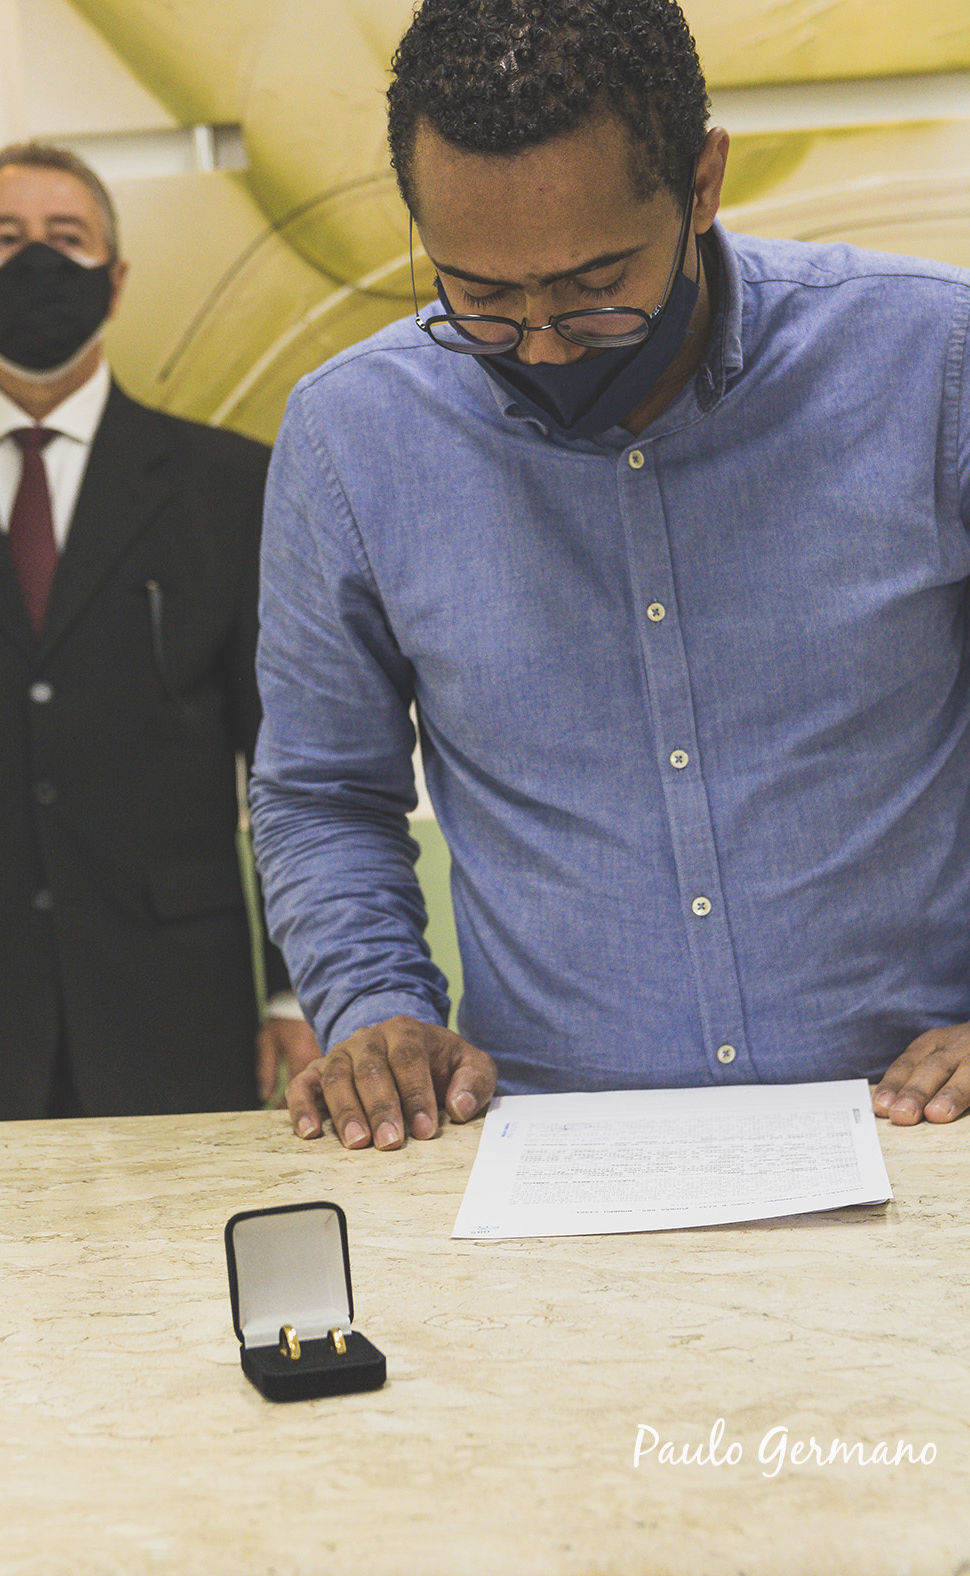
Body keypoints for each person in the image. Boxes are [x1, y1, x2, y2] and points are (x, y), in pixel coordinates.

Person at [250, 0, 970, 1150]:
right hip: (551, 1155)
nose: (539, 342)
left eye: (594, 286)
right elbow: (324, 792)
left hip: (929, 1133)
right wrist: (379, 1013)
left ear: (701, 183)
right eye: (479, 296)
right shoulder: (353, 438)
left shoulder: (932, 364)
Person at [0, 143, 318, 1123]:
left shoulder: (230, 486)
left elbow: (291, 766)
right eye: (5, 241)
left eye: (66, 238)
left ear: (116, 278)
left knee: (187, 1276)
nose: (37, 262)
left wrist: (294, 989)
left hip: (182, 1011)